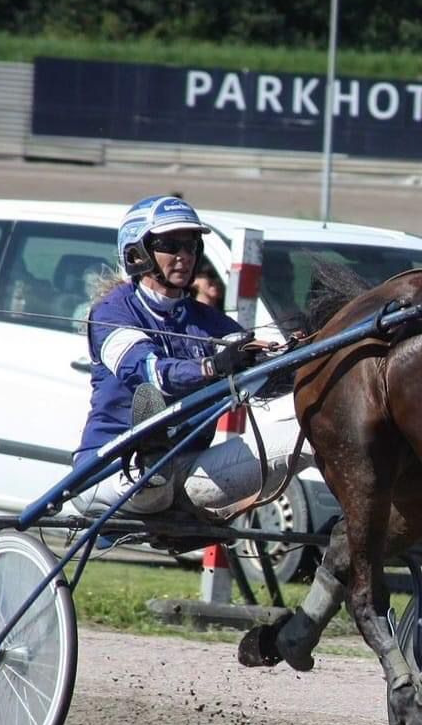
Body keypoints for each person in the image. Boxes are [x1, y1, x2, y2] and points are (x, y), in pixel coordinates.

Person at [71, 195, 275, 519]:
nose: (184, 256)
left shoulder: (209, 321)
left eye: (191, 245)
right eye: (171, 245)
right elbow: (151, 375)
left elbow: (262, 368)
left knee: (300, 431)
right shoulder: (110, 313)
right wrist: (213, 366)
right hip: (109, 469)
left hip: (188, 472)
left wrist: (302, 356)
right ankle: (152, 456)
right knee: (153, 449)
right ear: (138, 253)